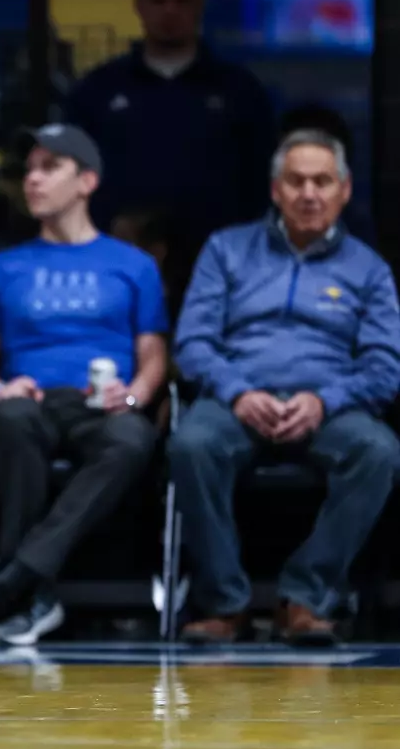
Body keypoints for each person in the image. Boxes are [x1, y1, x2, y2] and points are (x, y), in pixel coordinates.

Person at [170, 130, 400, 646]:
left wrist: (324, 401)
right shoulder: (226, 250)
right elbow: (193, 343)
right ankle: (224, 604)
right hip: (236, 399)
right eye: (296, 181)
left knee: (380, 452)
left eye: (322, 181)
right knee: (190, 445)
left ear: (344, 190)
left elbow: (385, 366)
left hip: (330, 406)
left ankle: (305, 599)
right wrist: (238, 392)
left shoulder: (369, 269)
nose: (309, 194)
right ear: (276, 190)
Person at [0, 124, 167, 645]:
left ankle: (12, 580)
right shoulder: (2, 266)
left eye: (50, 167)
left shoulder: (133, 264)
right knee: (8, 421)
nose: (33, 179)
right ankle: (29, 587)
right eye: (29, 170)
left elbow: (155, 355)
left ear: (87, 181)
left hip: (102, 404)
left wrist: (133, 394)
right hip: (31, 400)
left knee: (132, 438)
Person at [64, 0, 275, 305]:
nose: (170, 11)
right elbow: (72, 183)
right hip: (116, 274)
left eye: (181, 0)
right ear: (138, 5)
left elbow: (262, 185)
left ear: (200, 5)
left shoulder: (239, 92)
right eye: (159, 0)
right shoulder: (98, 91)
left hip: (220, 277)